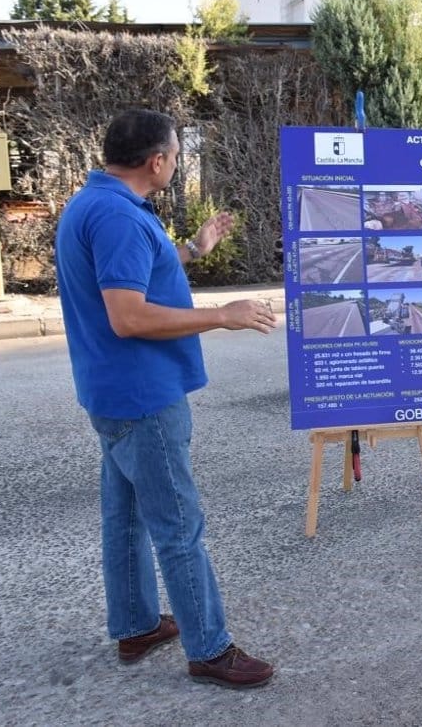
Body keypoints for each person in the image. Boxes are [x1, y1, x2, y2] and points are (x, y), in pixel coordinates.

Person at [54, 109, 276, 688]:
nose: (176, 162)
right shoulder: (117, 217)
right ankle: (209, 647)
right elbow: (127, 316)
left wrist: (195, 248)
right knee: (179, 526)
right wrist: (221, 315)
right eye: (176, 155)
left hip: (113, 392)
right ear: (157, 161)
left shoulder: (97, 204)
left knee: (125, 516)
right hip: (143, 397)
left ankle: (136, 624)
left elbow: (138, 270)